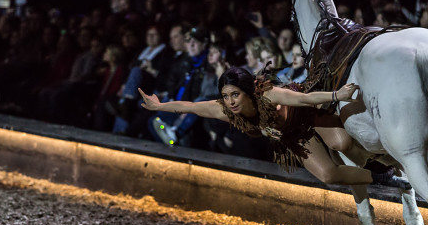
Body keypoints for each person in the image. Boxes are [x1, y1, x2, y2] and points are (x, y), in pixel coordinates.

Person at [139, 67, 409, 189]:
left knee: (342, 144)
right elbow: (190, 107)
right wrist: (159, 106)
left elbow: (305, 99)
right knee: (328, 175)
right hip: (292, 136)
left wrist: (337, 95)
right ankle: (382, 180)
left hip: (306, 115)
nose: (230, 102)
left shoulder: (268, 95)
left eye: (235, 95)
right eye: (226, 96)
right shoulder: (223, 108)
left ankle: (384, 158)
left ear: (247, 92)